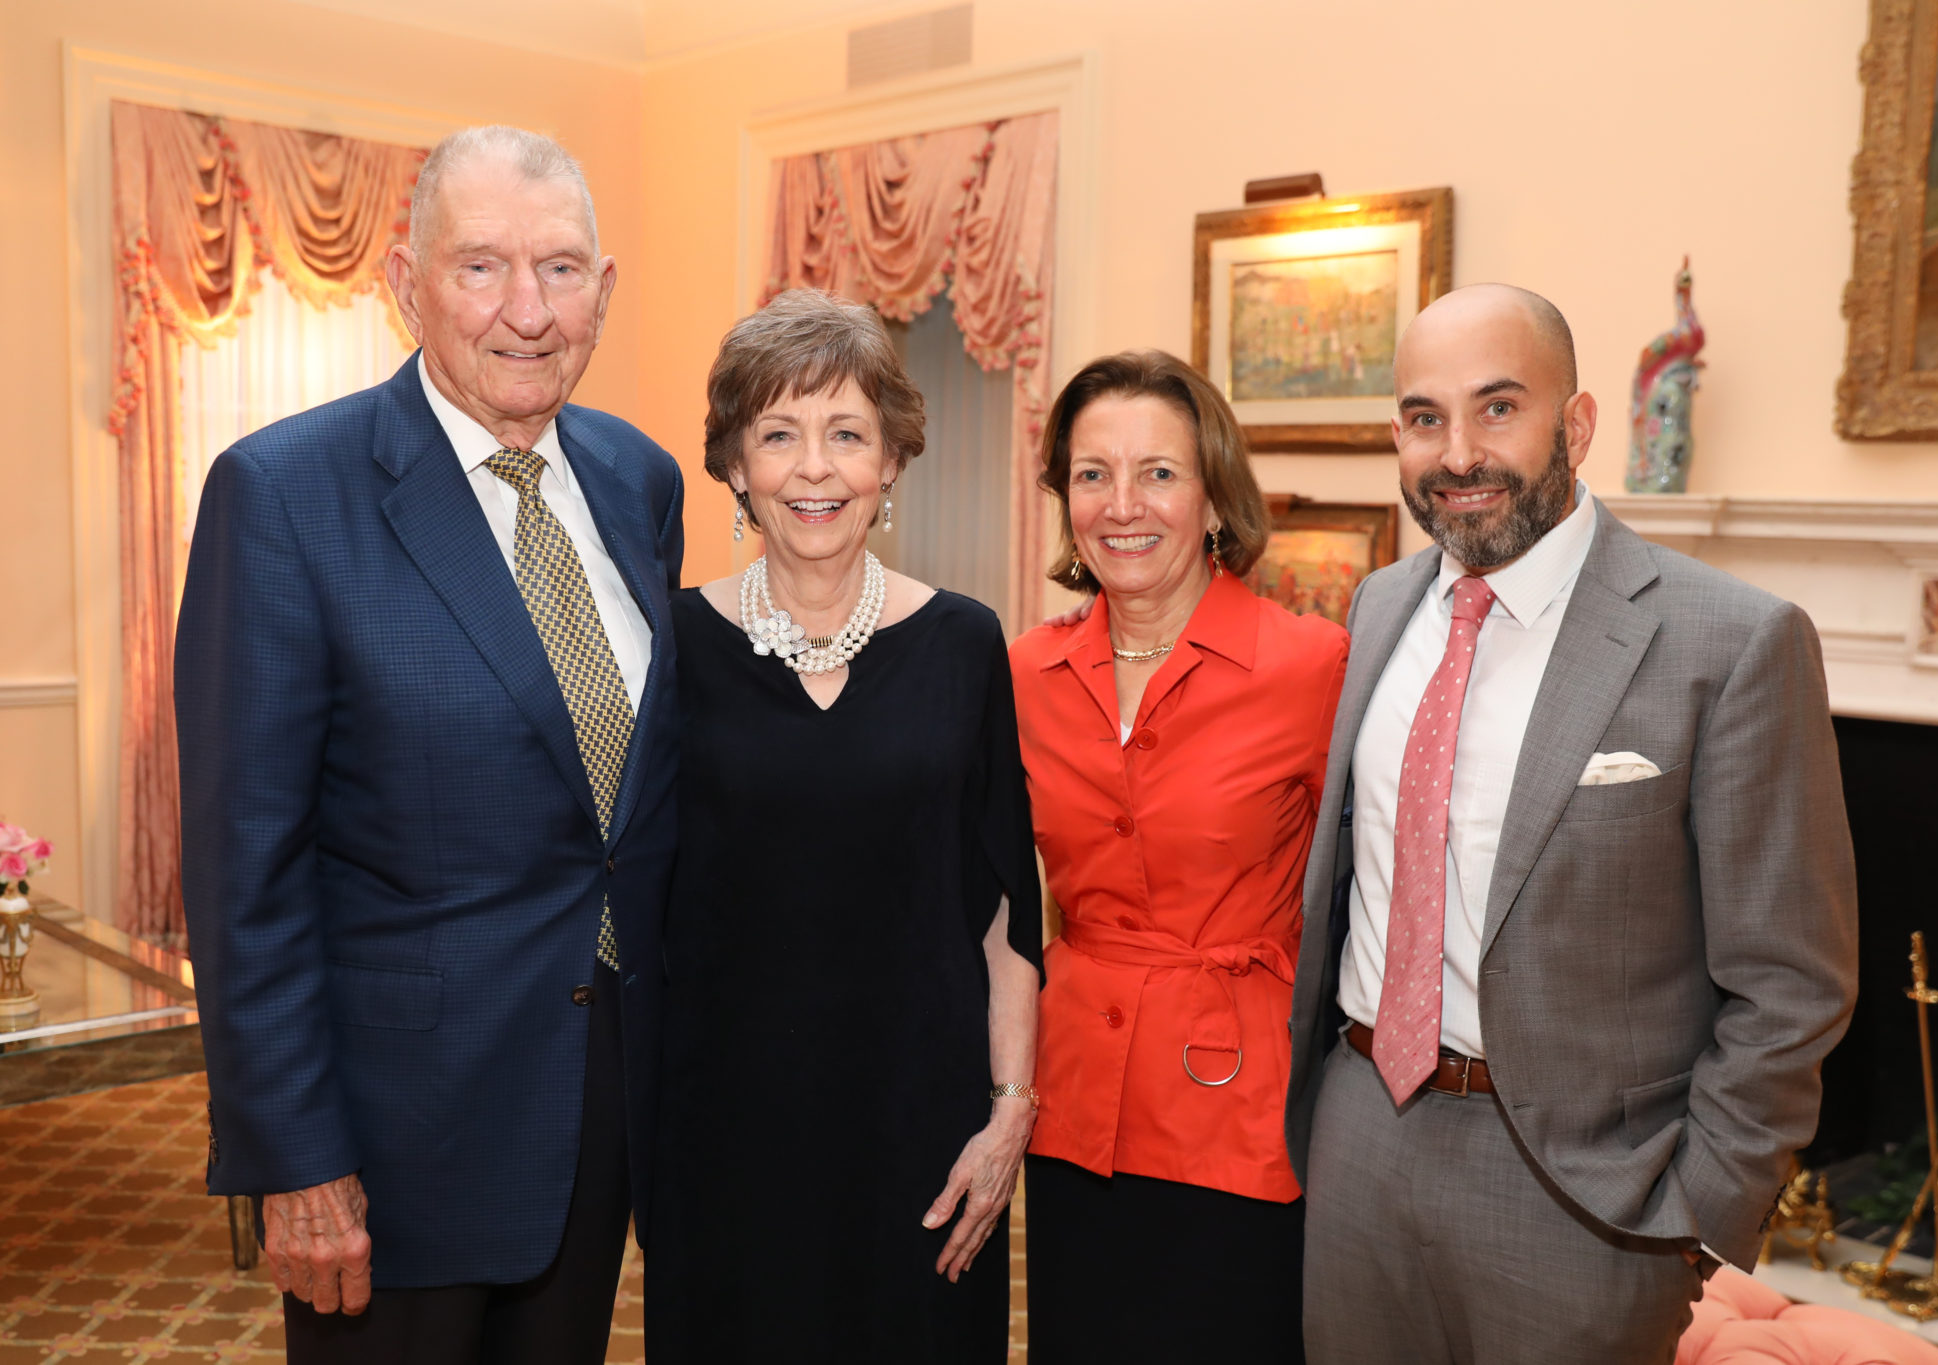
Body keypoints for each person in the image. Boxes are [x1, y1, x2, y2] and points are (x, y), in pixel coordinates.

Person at [175, 126, 683, 1364]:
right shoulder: (285, 495)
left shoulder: (639, 479)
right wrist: (296, 1161)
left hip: (599, 1110)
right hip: (394, 1144)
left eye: (562, 270)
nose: (528, 310)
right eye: (482, 268)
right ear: (405, 282)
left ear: (605, 292)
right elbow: (248, 870)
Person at [1285, 284, 1858, 1364]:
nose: (1457, 453)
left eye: (1496, 408)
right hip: (1358, 1132)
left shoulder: (1729, 642)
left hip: (1585, 1191)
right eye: (1422, 418)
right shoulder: (1375, 608)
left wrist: (1696, 1212)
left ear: (1578, 423)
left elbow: (1790, 980)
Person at [643, 288, 1041, 1363]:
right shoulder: (669, 647)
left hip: (921, 1131)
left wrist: (1008, 1112)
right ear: (733, 464)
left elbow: (1006, 910)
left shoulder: (964, 644)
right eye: (778, 434)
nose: (813, 469)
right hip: (719, 1134)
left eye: (846, 434)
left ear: (890, 464)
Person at [1009, 351, 1348, 1363]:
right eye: (1091, 474)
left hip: (1237, 1112)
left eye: (1157, 472)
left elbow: (1374, 899)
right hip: (1071, 1103)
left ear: (1211, 497)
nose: (1123, 504)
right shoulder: (1021, 670)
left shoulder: (1311, 665)